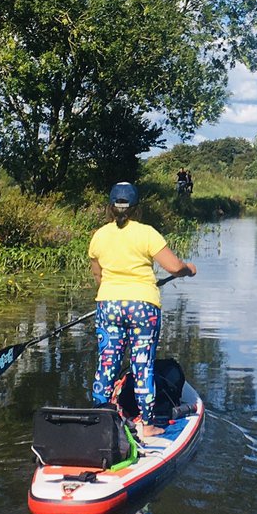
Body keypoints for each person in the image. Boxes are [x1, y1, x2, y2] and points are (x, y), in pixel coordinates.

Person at [88, 181, 196, 442]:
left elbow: (98, 275)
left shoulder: (99, 235)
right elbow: (173, 266)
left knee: (107, 363)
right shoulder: (147, 233)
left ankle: (100, 419)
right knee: (142, 366)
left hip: (109, 305)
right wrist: (188, 269)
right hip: (143, 307)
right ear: (137, 208)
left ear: (110, 207)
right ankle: (147, 425)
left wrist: (116, 292)